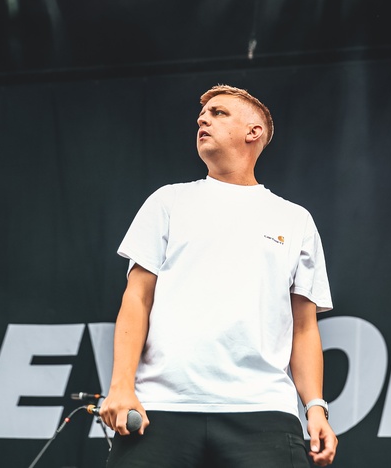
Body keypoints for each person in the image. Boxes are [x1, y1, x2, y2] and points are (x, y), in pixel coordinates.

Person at [100, 84, 338, 467]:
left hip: (263, 410)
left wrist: (315, 408)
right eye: (202, 115)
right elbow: (137, 298)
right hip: (161, 406)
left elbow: (304, 327)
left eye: (218, 113)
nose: (202, 120)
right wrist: (120, 386)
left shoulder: (295, 220)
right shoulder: (168, 201)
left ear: (253, 132)